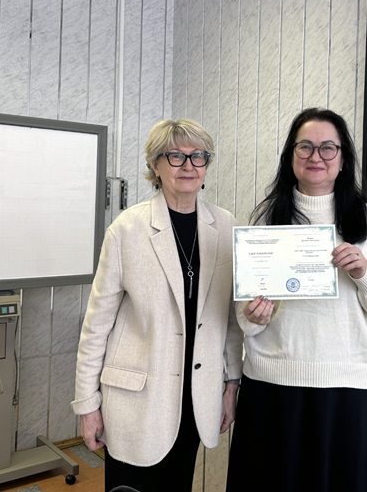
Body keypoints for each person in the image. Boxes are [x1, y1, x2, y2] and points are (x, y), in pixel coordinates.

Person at [226, 108, 367, 492]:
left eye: (328, 148)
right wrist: (253, 315)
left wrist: (363, 272)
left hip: (343, 385)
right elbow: (242, 312)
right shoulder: (267, 217)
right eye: (305, 147)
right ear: (291, 155)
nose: (316, 157)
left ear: (343, 159)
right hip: (272, 382)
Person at [72, 119, 243, 492]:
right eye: (176, 156)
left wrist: (231, 384)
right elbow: (96, 324)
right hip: (138, 399)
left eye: (198, 156)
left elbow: (230, 319)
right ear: (155, 165)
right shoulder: (127, 229)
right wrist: (87, 404)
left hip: (196, 396)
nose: (188, 165)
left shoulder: (226, 226)